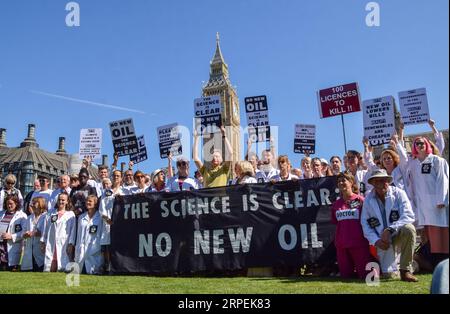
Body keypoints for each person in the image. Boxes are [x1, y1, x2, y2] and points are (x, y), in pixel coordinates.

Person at [361, 169, 418, 282]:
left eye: (384, 180)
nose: (382, 183)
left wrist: (390, 229)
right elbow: (365, 224)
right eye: (377, 181)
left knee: (409, 229)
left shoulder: (399, 193)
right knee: (389, 275)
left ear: (388, 181)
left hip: (398, 234)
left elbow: (408, 215)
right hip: (382, 242)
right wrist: (376, 241)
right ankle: (415, 263)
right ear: (372, 184)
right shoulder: (368, 199)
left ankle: (405, 270)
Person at [406, 136, 449, 268]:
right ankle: (433, 262)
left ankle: (443, 261)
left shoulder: (437, 160)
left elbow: (443, 180)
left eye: (421, 143)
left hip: (436, 205)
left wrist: (441, 200)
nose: (419, 145)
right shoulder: (413, 164)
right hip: (422, 206)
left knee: (440, 234)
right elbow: (411, 185)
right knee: (428, 236)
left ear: (427, 144)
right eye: (416, 143)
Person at [331, 172, 372, 279]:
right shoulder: (336, 204)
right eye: (339, 181)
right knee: (345, 276)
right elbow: (336, 221)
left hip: (359, 244)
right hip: (342, 245)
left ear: (351, 182)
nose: (341, 183)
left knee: (365, 276)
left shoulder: (361, 200)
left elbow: (368, 220)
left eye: (344, 180)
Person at [40, 192, 76, 272]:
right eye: (59, 200)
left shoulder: (70, 214)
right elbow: (45, 228)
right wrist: (43, 241)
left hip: (64, 242)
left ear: (67, 201)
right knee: (50, 265)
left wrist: (71, 243)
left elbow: (73, 231)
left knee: (62, 262)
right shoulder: (50, 213)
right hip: (51, 241)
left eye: (63, 200)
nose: (61, 202)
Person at [74, 195, 107, 274]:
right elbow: (78, 235)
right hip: (81, 248)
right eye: (87, 201)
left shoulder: (100, 217)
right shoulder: (81, 217)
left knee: (94, 271)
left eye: (90, 201)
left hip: (95, 248)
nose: (87, 202)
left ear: (95, 203)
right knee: (80, 271)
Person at [0, 194, 27, 271]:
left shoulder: (22, 216)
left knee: (9, 267)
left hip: (12, 246)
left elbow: (24, 232)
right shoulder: (1, 213)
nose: (9, 205)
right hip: (1, 244)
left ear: (16, 204)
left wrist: (11, 236)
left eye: (11, 204)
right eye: (7, 203)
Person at [21, 196, 47, 272]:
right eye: (32, 202)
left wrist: (34, 233)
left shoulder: (46, 216)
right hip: (29, 248)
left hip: (40, 248)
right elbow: (23, 232)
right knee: (28, 269)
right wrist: (25, 234)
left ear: (40, 204)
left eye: (34, 202)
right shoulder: (29, 218)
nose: (32, 204)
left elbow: (45, 232)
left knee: (39, 267)